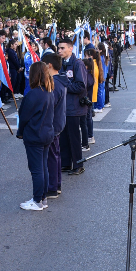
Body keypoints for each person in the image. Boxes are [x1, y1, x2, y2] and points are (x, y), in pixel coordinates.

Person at [16, 62, 56, 211]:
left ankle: (37, 199)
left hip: (35, 134)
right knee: (43, 166)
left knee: (36, 168)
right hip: (47, 133)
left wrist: (20, 132)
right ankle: (42, 198)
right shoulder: (49, 90)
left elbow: (24, 116)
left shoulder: (34, 93)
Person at [56, 39, 87, 174]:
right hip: (63, 107)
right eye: (59, 48)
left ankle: (78, 165)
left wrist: (64, 85)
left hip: (74, 107)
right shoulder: (61, 64)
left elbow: (81, 86)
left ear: (70, 48)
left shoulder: (77, 64)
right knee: (63, 137)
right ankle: (66, 163)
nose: (60, 51)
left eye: (62, 48)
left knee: (74, 137)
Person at [41, 53, 67, 200]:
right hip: (57, 123)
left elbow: (50, 105)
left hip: (52, 124)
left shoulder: (54, 83)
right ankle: (56, 184)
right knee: (55, 155)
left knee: (51, 156)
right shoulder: (60, 81)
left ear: (49, 65)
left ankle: (52, 186)